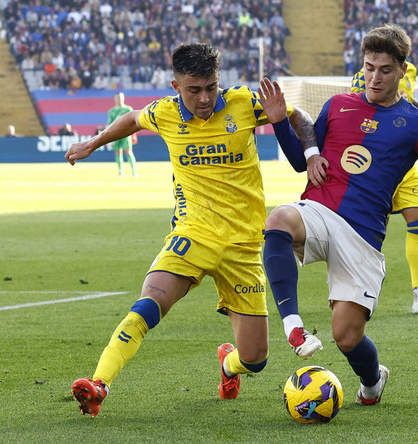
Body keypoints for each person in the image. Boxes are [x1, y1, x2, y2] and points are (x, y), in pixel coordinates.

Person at [64, 42, 315, 417]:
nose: (204, 98)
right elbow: (132, 118)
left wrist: (311, 156)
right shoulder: (164, 112)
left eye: (211, 87)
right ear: (175, 85)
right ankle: (99, 383)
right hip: (192, 234)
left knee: (255, 359)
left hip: (244, 247)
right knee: (150, 303)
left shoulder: (244, 102)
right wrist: (95, 142)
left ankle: (228, 364)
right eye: (194, 89)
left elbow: (300, 117)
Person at [258, 24, 418, 407]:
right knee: (279, 218)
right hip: (319, 210)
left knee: (346, 337)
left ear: (403, 70)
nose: (374, 77)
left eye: (385, 69)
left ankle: (373, 380)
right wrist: (279, 121)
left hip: (364, 238)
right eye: (369, 67)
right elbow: (301, 164)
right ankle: (293, 325)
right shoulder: (337, 105)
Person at [350, 61, 418, 314]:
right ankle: (356, 291)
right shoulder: (363, 77)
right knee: (373, 231)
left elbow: (404, 102)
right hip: (376, 163)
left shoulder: (409, 72)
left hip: (405, 162)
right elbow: (356, 110)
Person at [107, 92, 138, 177]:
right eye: (117, 98)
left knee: (129, 152)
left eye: (120, 98)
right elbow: (109, 124)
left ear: (123, 98)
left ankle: (134, 172)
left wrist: (133, 134)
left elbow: (133, 122)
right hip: (116, 135)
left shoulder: (128, 109)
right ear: (114, 99)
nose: (119, 99)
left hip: (126, 134)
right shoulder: (112, 111)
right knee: (118, 152)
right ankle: (121, 172)